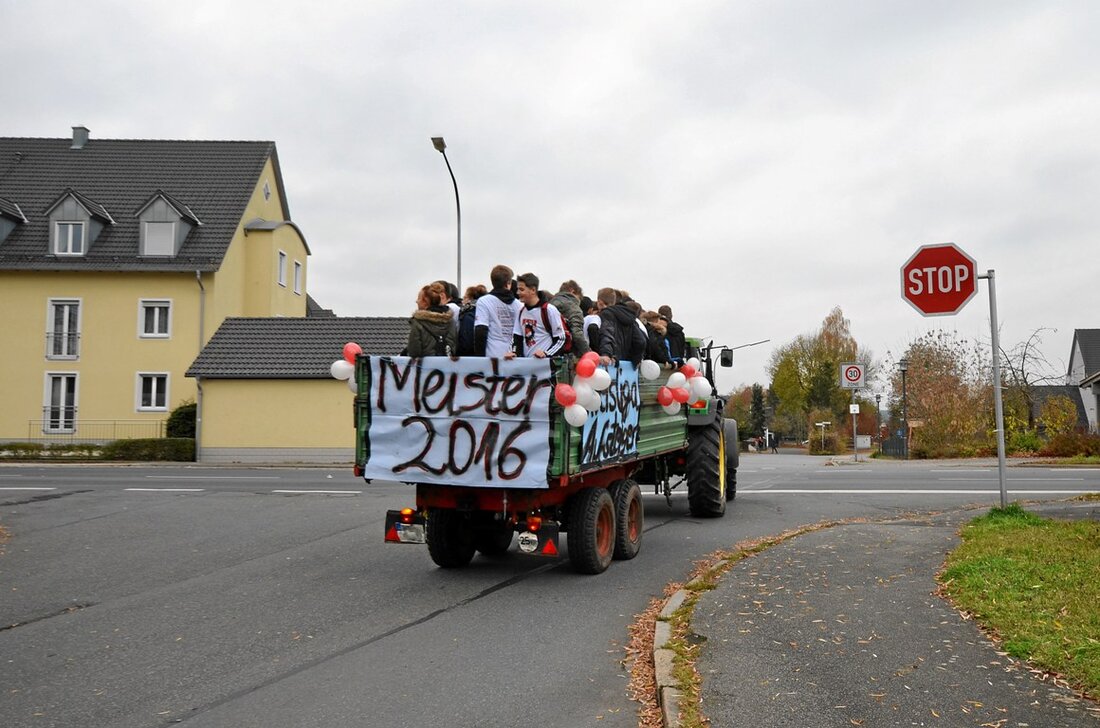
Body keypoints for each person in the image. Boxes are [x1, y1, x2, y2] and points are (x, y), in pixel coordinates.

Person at [505, 272, 567, 359]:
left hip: (544, 366)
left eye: (521, 289)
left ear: (533, 290)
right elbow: (516, 337)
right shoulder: (521, 311)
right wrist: (513, 352)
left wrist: (546, 353)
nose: (518, 292)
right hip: (527, 364)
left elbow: (561, 339)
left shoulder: (549, 310)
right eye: (518, 289)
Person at [474, 265, 523, 358]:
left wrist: (479, 358)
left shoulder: (483, 301)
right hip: (513, 356)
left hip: (492, 356)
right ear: (508, 283)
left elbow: (480, 331)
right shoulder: (519, 305)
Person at [596, 287, 647, 366]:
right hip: (625, 365)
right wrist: (635, 360)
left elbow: (607, 334)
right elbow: (641, 341)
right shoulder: (630, 316)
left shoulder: (606, 314)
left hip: (610, 362)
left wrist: (606, 353)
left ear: (600, 302)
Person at [406, 282, 457, 357]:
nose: (416, 301)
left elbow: (414, 352)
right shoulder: (450, 321)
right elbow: (453, 346)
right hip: (446, 366)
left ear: (426, 302)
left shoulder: (418, 322)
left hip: (425, 367)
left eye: (419, 298)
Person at [547, 280, 590, 355]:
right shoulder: (573, 307)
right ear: (572, 291)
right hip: (563, 354)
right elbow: (577, 334)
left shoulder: (548, 305)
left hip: (544, 350)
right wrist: (588, 353)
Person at [455, 284, 487, 356]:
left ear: (470, 299)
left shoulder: (468, 315)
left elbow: (466, 342)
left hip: (469, 357)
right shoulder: (484, 311)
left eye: (465, 298)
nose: (462, 301)